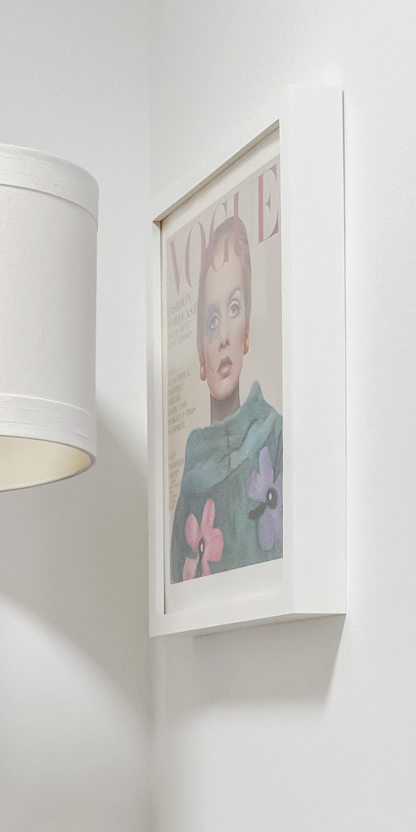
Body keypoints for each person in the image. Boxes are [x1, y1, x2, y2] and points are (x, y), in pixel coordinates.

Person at [169, 208, 281, 581]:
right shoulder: (190, 485)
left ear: (247, 329)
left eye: (234, 309)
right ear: (201, 354)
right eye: (212, 321)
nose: (223, 337)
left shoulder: (276, 439)